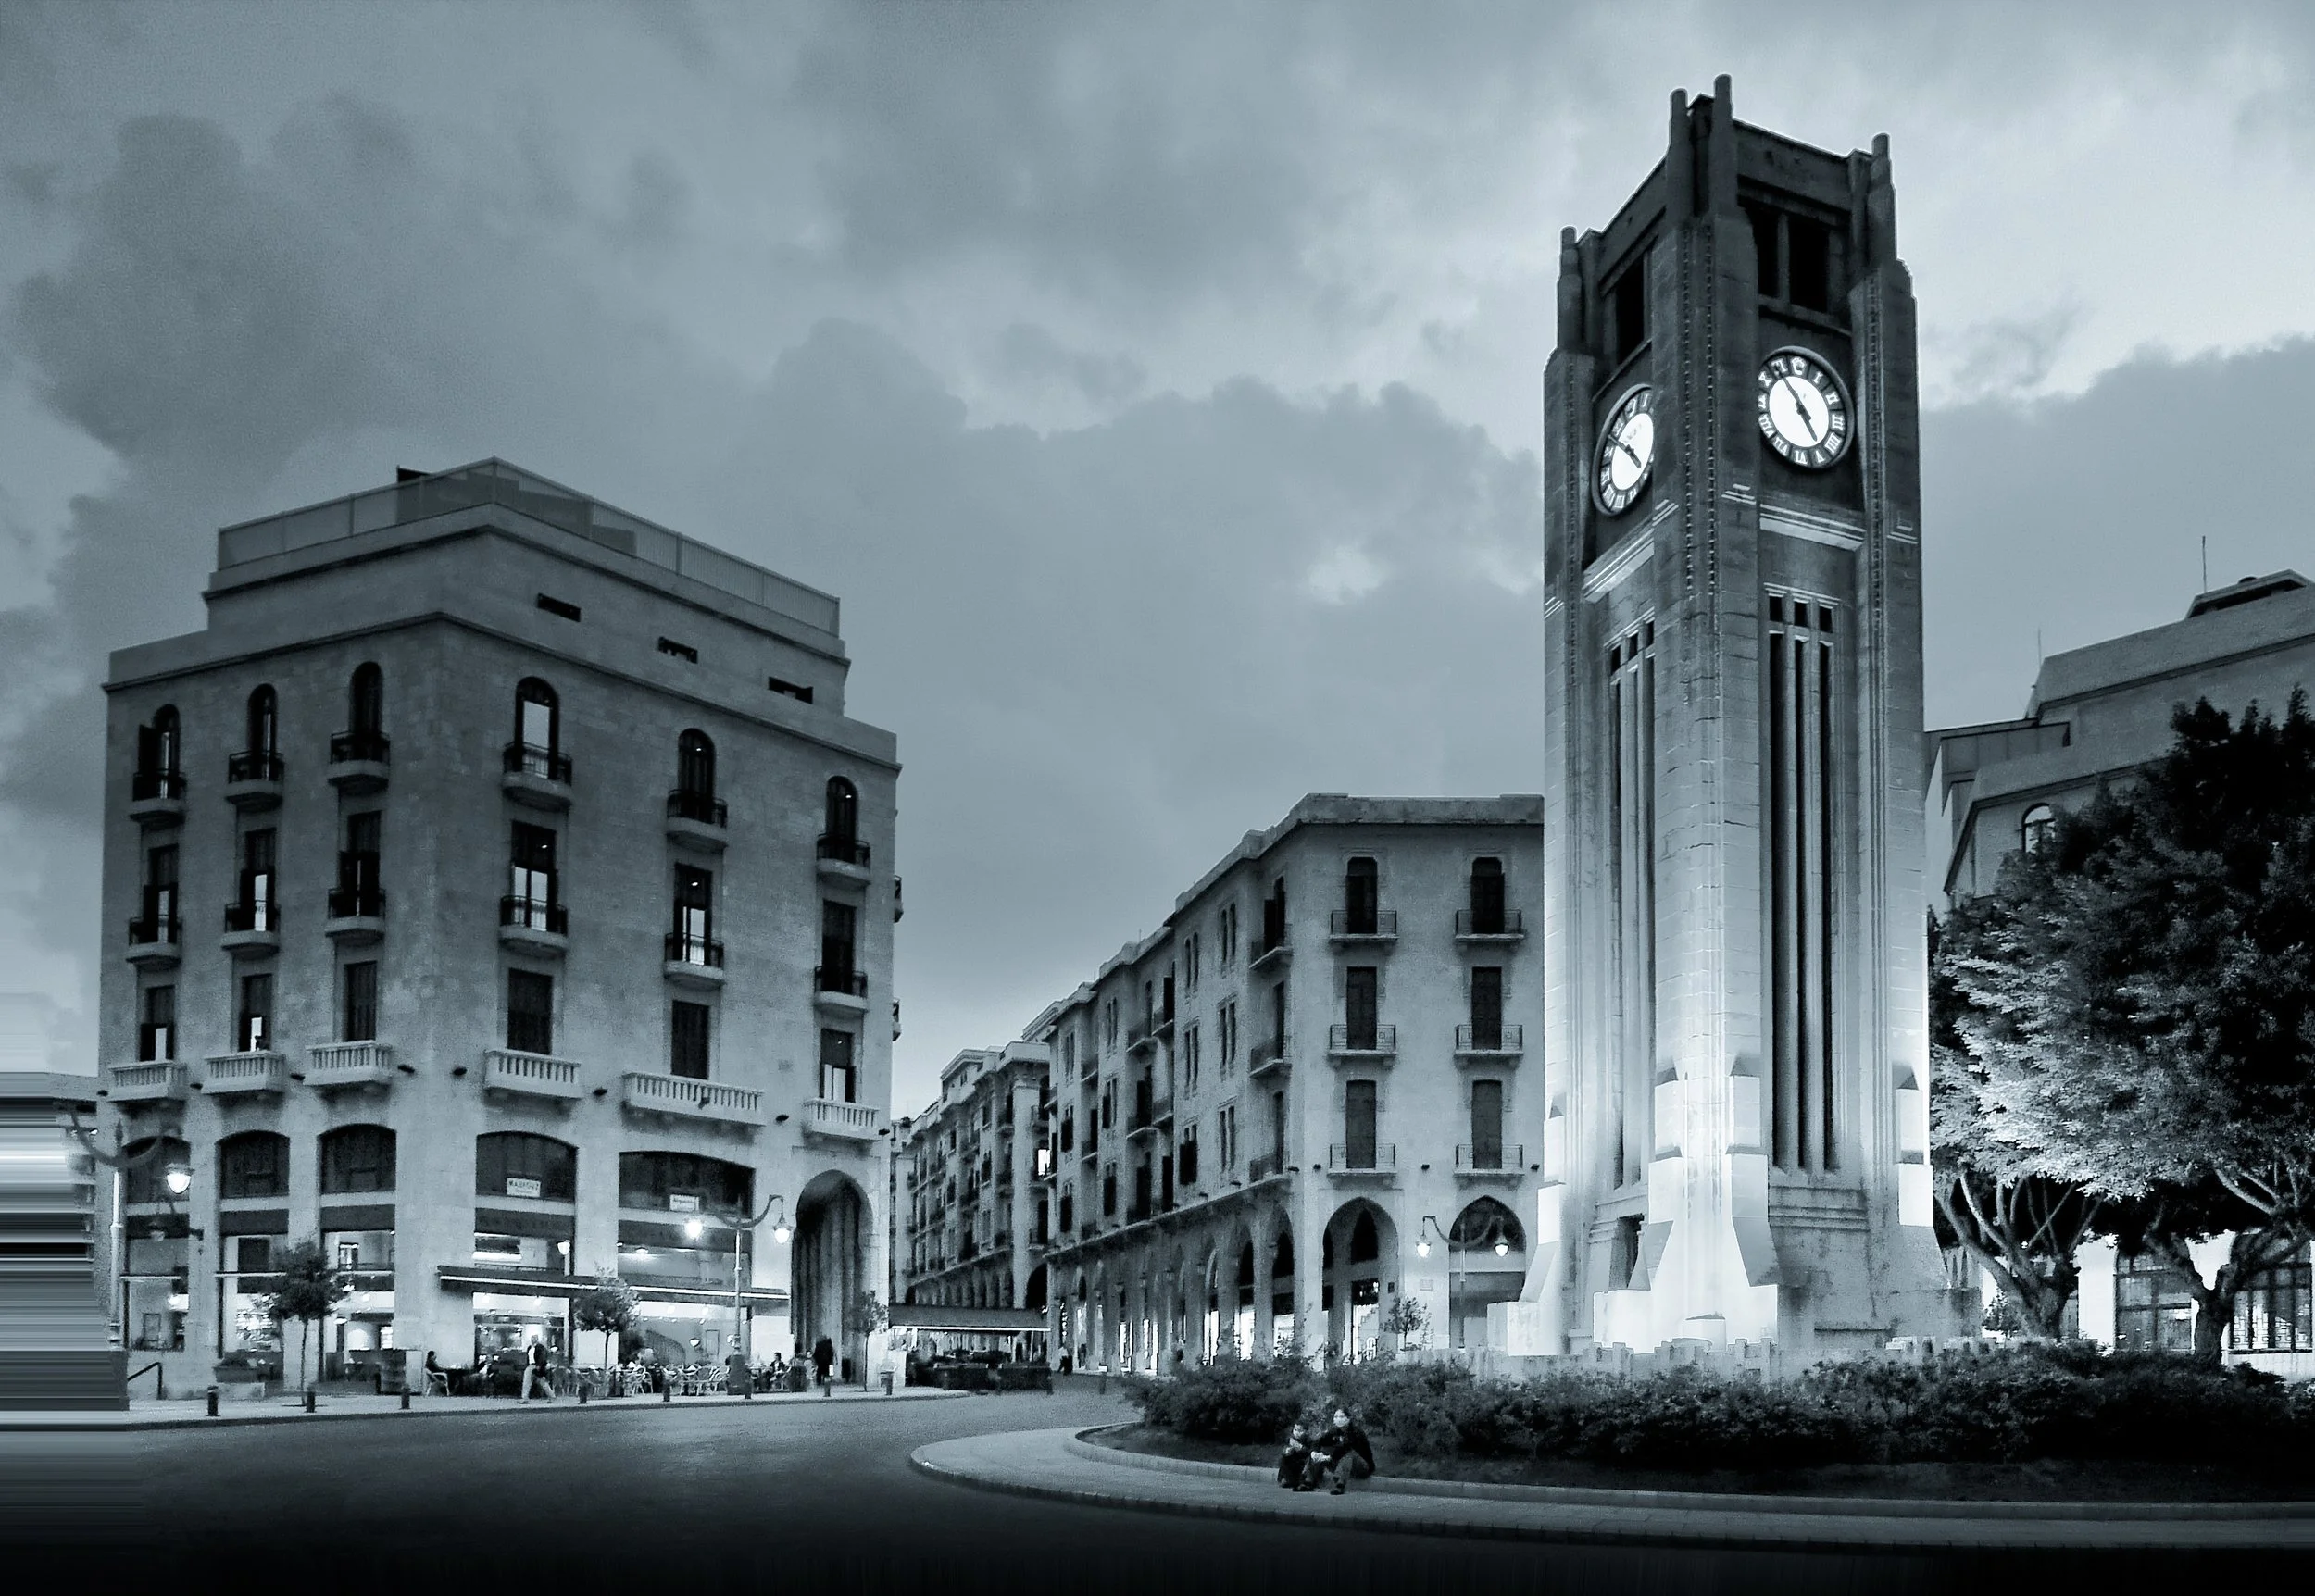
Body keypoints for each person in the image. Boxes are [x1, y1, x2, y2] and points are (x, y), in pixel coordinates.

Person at [1302, 1407, 1374, 1494]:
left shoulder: (1356, 1432)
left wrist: (1329, 1457)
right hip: (1343, 1465)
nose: (1338, 1419)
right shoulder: (1334, 1431)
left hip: (1361, 1466)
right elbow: (1318, 1442)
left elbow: (1345, 1447)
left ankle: (1339, 1484)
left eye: (1341, 1417)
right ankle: (1309, 1481)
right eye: (1336, 1417)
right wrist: (1314, 1453)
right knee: (1321, 1451)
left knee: (1348, 1453)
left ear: (1348, 1419)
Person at [1276, 1422, 1313, 1490]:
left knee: (1310, 1459)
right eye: (1295, 1430)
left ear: (1306, 1432)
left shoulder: (1309, 1441)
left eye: (1300, 1431)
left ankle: (1301, 1481)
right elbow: (1284, 1452)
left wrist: (1301, 1448)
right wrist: (1287, 1451)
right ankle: (1286, 1479)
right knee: (1284, 1458)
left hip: (1301, 1465)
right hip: (1291, 1465)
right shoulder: (1290, 1439)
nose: (1297, 1433)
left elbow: (1310, 1452)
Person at [520, 1339, 554, 1403]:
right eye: (532, 1338)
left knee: (542, 1382)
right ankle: (525, 1398)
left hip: (536, 1365)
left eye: (534, 1338)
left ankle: (551, 1396)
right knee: (527, 1382)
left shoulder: (540, 1347)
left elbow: (542, 1357)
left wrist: (539, 1365)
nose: (533, 1340)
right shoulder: (529, 1347)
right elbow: (529, 1357)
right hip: (530, 1365)